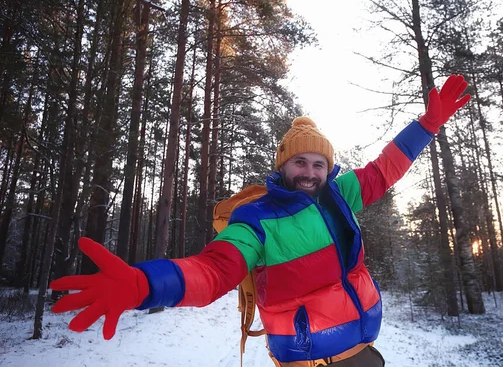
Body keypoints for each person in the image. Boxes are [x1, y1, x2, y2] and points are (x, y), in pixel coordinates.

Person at [50, 75, 471, 366]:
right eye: (300, 162)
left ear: (330, 168)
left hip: (364, 350)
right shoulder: (257, 216)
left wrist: (427, 125)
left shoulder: (340, 195)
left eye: (319, 163)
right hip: (312, 360)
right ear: (284, 167)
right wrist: (145, 284)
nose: (309, 172)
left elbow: (384, 170)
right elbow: (214, 270)